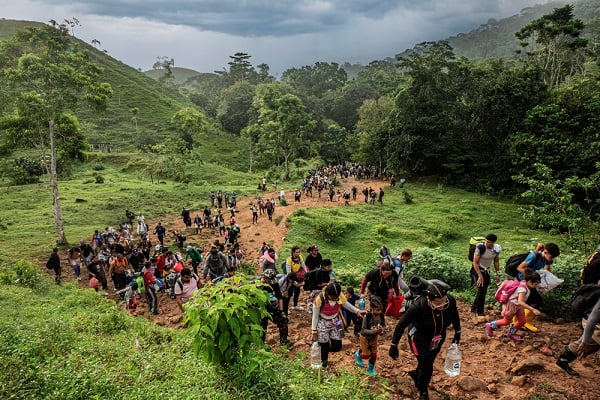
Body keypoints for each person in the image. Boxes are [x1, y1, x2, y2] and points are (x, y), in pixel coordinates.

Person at [389, 279, 461, 400]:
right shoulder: (419, 306)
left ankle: (417, 374)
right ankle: (423, 390)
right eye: (439, 302)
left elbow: (455, 316)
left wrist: (457, 333)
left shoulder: (450, 301)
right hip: (418, 338)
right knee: (427, 366)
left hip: (438, 337)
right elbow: (401, 325)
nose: (443, 304)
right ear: (429, 299)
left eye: (444, 300)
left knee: (428, 362)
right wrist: (393, 345)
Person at [311, 282, 366, 368]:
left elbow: (345, 304)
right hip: (323, 321)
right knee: (324, 344)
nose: (335, 299)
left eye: (336, 298)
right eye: (333, 298)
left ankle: (322, 349)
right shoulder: (319, 299)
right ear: (328, 294)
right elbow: (315, 317)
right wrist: (314, 331)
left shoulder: (339, 296)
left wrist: (357, 311)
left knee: (337, 346)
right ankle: (324, 363)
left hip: (336, 320)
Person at [485, 271, 542, 342]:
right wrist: (533, 309)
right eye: (535, 284)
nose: (536, 286)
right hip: (512, 305)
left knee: (522, 321)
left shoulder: (525, 284)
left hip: (518, 306)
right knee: (506, 321)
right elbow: (520, 301)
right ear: (530, 281)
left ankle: (511, 333)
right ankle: (490, 325)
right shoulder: (523, 289)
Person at [516, 242, 560, 332]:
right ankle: (523, 322)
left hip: (532, 282)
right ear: (545, 252)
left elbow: (548, 268)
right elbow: (519, 268)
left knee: (530, 301)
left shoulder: (547, 258)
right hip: (524, 281)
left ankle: (519, 321)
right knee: (534, 301)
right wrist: (531, 277)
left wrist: (550, 280)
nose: (552, 259)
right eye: (551, 257)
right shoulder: (534, 256)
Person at [555, 288, 600, 375]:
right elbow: (592, 320)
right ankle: (563, 359)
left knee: (592, 343)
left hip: (593, 320)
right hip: (594, 321)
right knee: (590, 342)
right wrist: (585, 342)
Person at [360, 258, 400, 325]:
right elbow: (365, 280)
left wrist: (397, 294)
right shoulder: (375, 273)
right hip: (373, 292)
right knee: (377, 307)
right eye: (385, 274)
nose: (387, 276)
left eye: (389, 274)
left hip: (385, 294)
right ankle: (370, 323)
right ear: (382, 271)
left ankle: (381, 324)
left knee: (382, 310)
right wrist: (362, 292)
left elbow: (395, 285)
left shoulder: (393, 274)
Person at [470, 234, 501, 318]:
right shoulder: (480, 247)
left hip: (486, 271)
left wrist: (498, 273)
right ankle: (479, 311)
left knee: (483, 290)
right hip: (477, 270)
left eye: (488, 242)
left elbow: (496, 261)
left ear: (493, 243)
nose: (486, 243)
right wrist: (480, 276)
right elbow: (475, 262)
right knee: (481, 289)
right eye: (486, 241)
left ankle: (474, 307)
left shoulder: (496, 249)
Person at [260, 269, 292, 347]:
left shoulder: (274, 283)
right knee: (262, 327)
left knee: (283, 320)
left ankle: (284, 341)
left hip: (272, 308)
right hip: (261, 309)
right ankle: (260, 345)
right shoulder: (257, 284)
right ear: (264, 278)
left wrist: (281, 310)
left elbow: (279, 297)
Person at [355, 295, 385, 376]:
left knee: (374, 355)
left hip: (374, 338)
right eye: (377, 310)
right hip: (365, 337)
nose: (379, 312)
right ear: (371, 308)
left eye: (380, 310)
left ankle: (370, 369)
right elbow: (363, 330)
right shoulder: (367, 316)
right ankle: (358, 354)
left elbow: (383, 325)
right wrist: (374, 331)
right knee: (366, 355)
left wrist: (382, 330)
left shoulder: (381, 316)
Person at [285, 245, 307, 311]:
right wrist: (294, 282)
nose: (298, 253)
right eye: (297, 252)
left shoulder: (300, 257)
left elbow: (304, 266)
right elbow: (288, 272)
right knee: (289, 293)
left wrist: (307, 273)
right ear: (293, 252)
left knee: (297, 292)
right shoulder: (289, 260)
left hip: (297, 275)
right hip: (291, 277)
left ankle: (295, 305)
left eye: (299, 252)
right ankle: (286, 308)